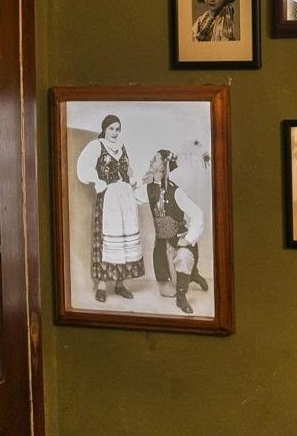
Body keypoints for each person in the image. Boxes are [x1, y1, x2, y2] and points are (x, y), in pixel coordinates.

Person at [76, 115, 145, 302]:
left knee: (124, 241)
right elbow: (83, 167)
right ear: (104, 129)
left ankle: (120, 284)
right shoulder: (96, 146)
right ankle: (101, 287)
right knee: (106, 241)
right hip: (108, 200)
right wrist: (99, 182)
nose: (114, 132)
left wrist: (132, 182)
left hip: (125, 199)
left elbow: (128, 170)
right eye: (111, 129)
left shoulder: (122, 147)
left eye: (117, 129)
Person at [144, 149, 208, 315]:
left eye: (154, 159)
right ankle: (193, 275)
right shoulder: (149, 189)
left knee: (184, 257)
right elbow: (132, 196)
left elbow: (197, 213)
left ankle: (182, 297)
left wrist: (189, 239)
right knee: (166, 291)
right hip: (161, 245)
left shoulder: (175, 191)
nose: (150, 160)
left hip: (178, 240)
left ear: (162, 166)